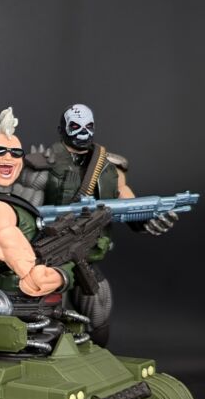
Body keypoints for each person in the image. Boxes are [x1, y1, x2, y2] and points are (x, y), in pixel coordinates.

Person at [14, 103, 177, 343]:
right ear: (62, 129)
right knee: (52, 315)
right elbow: (23, 216)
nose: (83, 132)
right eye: (75, 126)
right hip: (51, 255)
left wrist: (147, 218)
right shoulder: (43, 165)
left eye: (88, 126)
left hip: (85, 254)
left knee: (99, 307)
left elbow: (126, 202)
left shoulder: (108, 166)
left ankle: (97, 355)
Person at [0, 107, 72, 296]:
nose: (8, 157)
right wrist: (59, 275)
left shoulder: (7, 198)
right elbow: (15, 252)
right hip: (19, 293)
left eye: (16, 153)